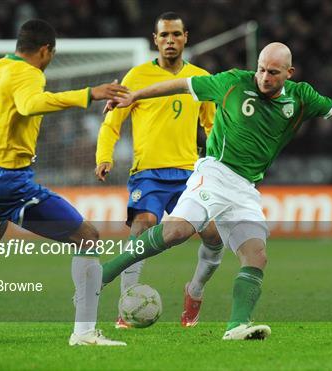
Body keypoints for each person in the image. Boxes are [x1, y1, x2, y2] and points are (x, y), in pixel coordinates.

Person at [101, 42, 332, 340]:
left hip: (245, 189)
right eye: (262, 69)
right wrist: (135, 95)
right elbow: (181, 85)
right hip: (214, 173)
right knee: (176, 232)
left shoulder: (302, 97)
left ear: (290, 73)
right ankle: (104, 273)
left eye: (274, 72)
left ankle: (237, 325)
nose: (265, 77)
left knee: (256, 256)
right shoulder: (233, 82)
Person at [0, 19, 128, 346]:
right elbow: (30, 104)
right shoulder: (30, 74)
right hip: (9, 182)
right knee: (88, 237)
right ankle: (85, 333)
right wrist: (89, 93)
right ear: (46, 50)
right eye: (51, 54)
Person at [95, 11, 222, 328]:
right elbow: (113, 121)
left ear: (185, 37)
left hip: (189, 174)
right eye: (164, 35)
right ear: (155, 40)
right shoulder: (136, 77)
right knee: (143, 226)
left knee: (214, 237)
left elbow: (213, 124)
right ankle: (126, 307)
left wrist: (222, 161)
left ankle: (194, 291)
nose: (169, 40)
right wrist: (104, 156)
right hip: (148, 173)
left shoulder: (200, 79)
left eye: (175, 34)